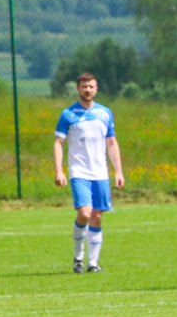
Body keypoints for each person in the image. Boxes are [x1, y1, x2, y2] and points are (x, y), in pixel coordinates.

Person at [53, 72, 125, 273]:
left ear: (96, 89)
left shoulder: (105, 113)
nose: (88, 90)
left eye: (91, 86)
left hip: (100, 172)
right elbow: (59, 142)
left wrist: (118, 171)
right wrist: (59, 170)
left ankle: (93, 264)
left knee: (97, 216)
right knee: (84, 213)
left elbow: (111, 142)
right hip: (79, 171)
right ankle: (78, 258)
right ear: (78, 89)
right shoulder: (68, 114)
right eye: (84, 86)